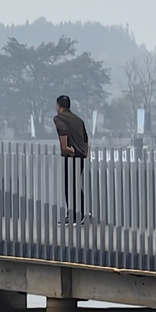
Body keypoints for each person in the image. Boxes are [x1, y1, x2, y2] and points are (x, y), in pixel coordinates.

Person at [53, 94, 89, 223]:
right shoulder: (78, 120)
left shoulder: (59, 118)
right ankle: (81, 213)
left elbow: (63, 131)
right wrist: (84, 153)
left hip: (70, 155)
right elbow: (85, 139)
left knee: (69, 185)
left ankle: (72, 214)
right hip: (81, 155)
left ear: (59, 106)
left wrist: (66, 148)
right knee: (76, 184)